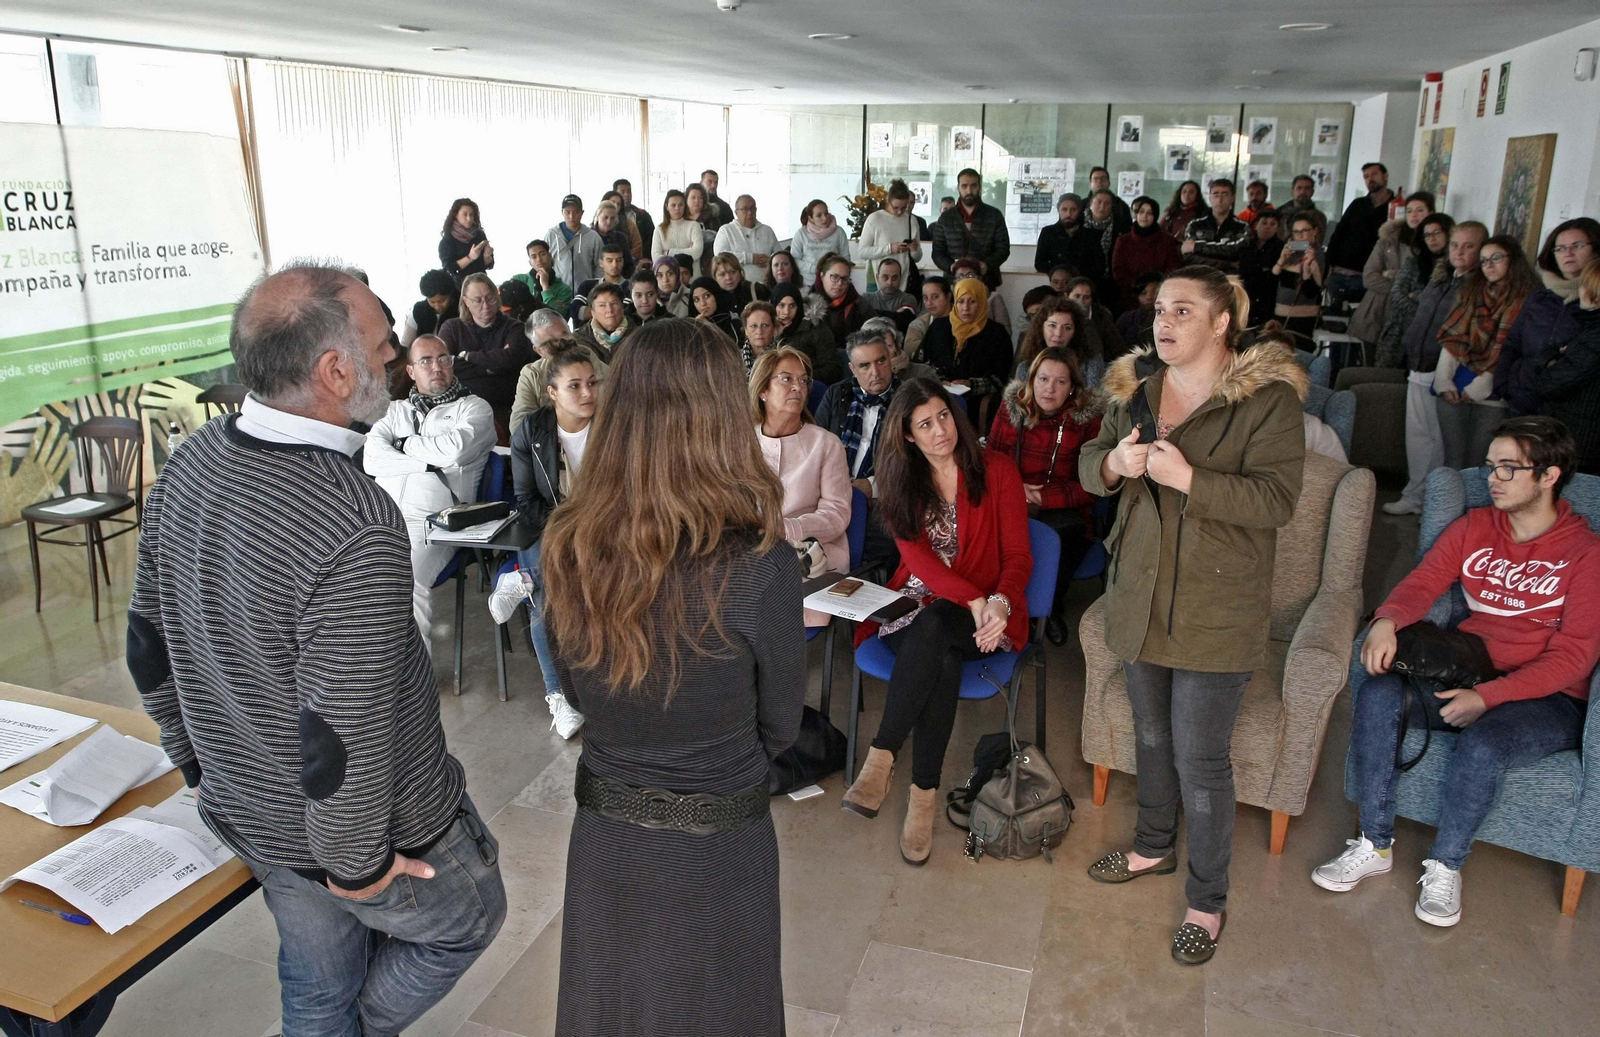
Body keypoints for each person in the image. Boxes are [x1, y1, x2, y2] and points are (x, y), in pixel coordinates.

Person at [129, 263, 506, 1034]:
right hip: (360, 832)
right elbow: (342, 735)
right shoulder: (354, 520)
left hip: (252, 812)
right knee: (471, 915)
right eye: (382, 343)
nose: (398, 354)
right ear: (336, 371)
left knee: (315, 988)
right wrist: (359, 868)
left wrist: (197, 764)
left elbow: (146, 646)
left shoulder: (190, 460)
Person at [540, 319, 804, 1036]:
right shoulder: (762, 566)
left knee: (612, 1011)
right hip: (720, 845)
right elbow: (781, 725)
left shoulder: (565, 548)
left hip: (607, 838)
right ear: (723, 418)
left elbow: (570, 682)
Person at [1080, 264, 1306, 965]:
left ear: (1220, 322)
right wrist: (1114, 464)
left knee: (1200, 757)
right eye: (1158, 310)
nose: (1164, 322)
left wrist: (1189, 480)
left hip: (1216, 607)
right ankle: (1153, 845)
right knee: (1149, 733)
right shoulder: (1138, 389)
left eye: (1182, 310)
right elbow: (1090, 465)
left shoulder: (1267, 401)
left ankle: (1207, 898)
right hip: (1139, 595)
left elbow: (1276, 501)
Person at [1316, 415, 1599, 927]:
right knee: (1381, 695)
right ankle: (1375, 843)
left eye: (1509, 468)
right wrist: (1386, 621)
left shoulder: (1586, 554)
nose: (1493, 478)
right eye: (1491, 467)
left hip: (1550, 697)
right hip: (1471, 669)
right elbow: (1425, 582)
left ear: (1549, 475)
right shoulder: (1474, 526)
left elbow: (1575, 656)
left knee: (1485, 744)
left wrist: (1491, 698)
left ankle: (1446, 865)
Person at [838, 378, 1031, 867]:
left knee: (939, 627)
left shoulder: (997, 469)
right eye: (925, 424)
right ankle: (922, 799)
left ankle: (882, 758)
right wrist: (970, 602)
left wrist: (1000, 604)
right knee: (939, 651)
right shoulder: (902, 480)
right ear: (908, 435)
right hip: (929, 606)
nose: (940, 430)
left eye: (944, 416)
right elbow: (917, 562)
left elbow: (1018, 556)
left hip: (990, 609)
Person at [364, 334, 496, 644]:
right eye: (425, 361)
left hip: (436, 523)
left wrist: (404, 445)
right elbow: (371, 459)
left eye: (443, 359)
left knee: (404, 580)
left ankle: (411, 678)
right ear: (411, 371)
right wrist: (425, 464)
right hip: (380, 519)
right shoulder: (393, 410)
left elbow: (454, 451)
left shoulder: (474, 409)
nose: (436, 366)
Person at [508, 342, 600, 740]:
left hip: (607, 530)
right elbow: (527, 502)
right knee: (547, 601)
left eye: (592, 383)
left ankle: (518, 578)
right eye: (575, 386)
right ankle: (558, 696)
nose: (588, 394)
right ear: (551, 393)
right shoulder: (531, 431)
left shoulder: (614, 425)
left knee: (542, 582)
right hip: (555, 530)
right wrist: (567, 533)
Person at [987, 345, 1102, 644]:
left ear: (1073, 387)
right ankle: (997, 603)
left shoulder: (1087, 421)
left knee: (1060, 540)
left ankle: (1047, 608)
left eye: (1060, 382)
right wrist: (1015, 491)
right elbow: (991, 464)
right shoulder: (1011, 409)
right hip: (1011, 499)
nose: (1049, 389)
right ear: (1031, 380)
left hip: (1062, 507)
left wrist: (1042, 498)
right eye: (1043, 379)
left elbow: (1091, 485)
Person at [1383, 220, 1486, 516]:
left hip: (1444, 371)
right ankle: (1414, 494)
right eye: (1455, 245)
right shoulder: (1441, 277)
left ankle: (1429, 500)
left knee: (1437, 440)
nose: (1459, 252)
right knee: (1416, 436)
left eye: (1468, 246)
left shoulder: (1478, 286)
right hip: (1417, 362)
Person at [751, 346, 851, 623]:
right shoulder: (741, 444)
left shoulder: (826, 444)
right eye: (786, 379)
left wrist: (788, 529)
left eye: (803, 380)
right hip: (751, 548)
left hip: (813, 552)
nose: (798, 387)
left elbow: (837, 516)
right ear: (763, 390)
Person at [1434, 234, 1539, 470]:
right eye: (1483, 261)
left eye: (1496, 258)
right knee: (1453, 463)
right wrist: (1443, 378)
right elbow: (1453, 338)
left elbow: (1518, 349)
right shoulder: (1471, 292)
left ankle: (1475, 509)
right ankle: (1448, 508)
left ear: (1513, 260)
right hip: (1455, 384)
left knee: (1482, 465)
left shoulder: (1531, 299)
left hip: (1497, 391)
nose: (1489, 265)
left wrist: (1487, 381)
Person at [814, 330, 905, 571]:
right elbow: (813, 448)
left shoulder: (909, 400)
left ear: (890, 359)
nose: (875, 372)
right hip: (830, 493)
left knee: (890, 539)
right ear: (853, 369)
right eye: (865, 365)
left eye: (881, 361)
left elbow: (916, 464)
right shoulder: (836, 394)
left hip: (884, 498)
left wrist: (873, 485)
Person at [1494, 217, 1600, 415]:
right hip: (1521, 401)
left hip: (1568, 411)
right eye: (1560, 248)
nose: (1568, 253)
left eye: (1577, 245)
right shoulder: (1540, 294)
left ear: (1595, 249)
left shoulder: (1595, 301)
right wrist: (1504, 384)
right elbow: (1513, 343)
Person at [438, 273, 535, 440]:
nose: (486, 305)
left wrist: (467, 356)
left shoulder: (515, 328)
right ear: (466, 301)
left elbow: (510, 360)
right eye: (478, 300)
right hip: (461, 407)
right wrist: (492, 366)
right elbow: (445, 367)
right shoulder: (451, 328)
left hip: (505, 405)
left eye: (490, 298)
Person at [1534, 260, 1600, 473]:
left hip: (1581, 447)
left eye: (1583, 283)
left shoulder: (1595, 336)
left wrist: (1548, 359)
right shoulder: (1590, 328)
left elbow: (1551, 384)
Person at [1349, 192, 1435, 348]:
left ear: (1431, 213)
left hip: (1413, 319)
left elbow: (1426, 284)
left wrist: (1391, 274)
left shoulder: (1434, 244)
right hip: (1377, 314)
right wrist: (1402, 290)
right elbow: (1369, 277)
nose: (1414, 215)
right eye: (1409, 210)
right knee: (1370, 367)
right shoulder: (1389, 240)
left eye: (1420, 210)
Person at [1375, 213, 1456, 370]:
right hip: (1398, 333)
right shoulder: (1414, 262)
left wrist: (1416, 295)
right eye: (1427, 235)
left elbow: (1445, 302)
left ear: (1449, 233)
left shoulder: (1454, 267)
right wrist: (1424, 311)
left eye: (1437, 233)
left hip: (1432, 340)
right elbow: (1397, 294)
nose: (1432, 239)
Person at [918, 277, 1014, 405]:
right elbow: (920, 364)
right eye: (960, 301)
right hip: (936, 395)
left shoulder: (996, 333)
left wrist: (971, 384)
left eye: (972, 301)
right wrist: (937, 380)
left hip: (976, 402)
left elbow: (1001, 379)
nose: (965, 308)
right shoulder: (938, 327)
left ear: (981, 302)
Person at [1326, 162, 1396, 308]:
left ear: (1385, 176)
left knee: (1362, 321)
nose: (1370, 179)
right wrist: (1329, 266)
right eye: (1366, 176)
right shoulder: (1358, 204)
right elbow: (1338, 234)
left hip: (1369, 277)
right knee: (1333, 320)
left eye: (1374, 174)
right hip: (1340, 274)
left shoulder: (1396, 207)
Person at [931, 167, 1009, 291]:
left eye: (973, 186)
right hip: (954, 282)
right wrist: (951, 266)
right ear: (958, 187)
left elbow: (1003, 249)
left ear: (979, 186)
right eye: (964, 186)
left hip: (986, 281)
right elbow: (937, 252)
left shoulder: (994, 215)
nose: (969, 190)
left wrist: (987, 265)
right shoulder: (946, 218)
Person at [1111, 195, 1182, 311]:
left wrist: (1155, 289)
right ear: (1136, 214)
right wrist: (1141, 289)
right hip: (1131, 297)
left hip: (1159, 295)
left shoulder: (1166, 240)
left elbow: (1173, 268)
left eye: (1149, 213)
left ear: (1155, 216)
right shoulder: (1123, 240)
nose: (1144, 216)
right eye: (1141, 212)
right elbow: (1118, 270)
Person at [1016, 294, 1104, 386]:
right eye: (1052, 325)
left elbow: (1094, 398)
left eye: (1067, 328)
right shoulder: (1025, 367)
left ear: (1075, 332)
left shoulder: (1090, 362)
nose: (1058, 334)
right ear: (1041, 328)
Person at [858, 178, 925, 295]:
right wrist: (889, 248)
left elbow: (917, 257)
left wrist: (914, 249)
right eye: (896, 207)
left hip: (902, 277)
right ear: (888, 201)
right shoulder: (874, 219)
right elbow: (863, 251)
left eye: (904, 207)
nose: (900, 212)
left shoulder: (911, 220)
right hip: (876, 274)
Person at [1271, 210, 1329, 341]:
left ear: (1315, 231)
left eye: (1305, 231)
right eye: (1296, 232)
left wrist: (1309, 266)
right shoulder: (1289, 253)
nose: (1301, 236)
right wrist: (1282, 260)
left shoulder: (1318, 255)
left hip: (1303, 316)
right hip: (1280, 314)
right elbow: (1274, 279)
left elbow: (1312, 290)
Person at [770, 282, 840, 384]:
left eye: (792, 306)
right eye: (781, 305)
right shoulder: (766, 329)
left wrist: (800, 377)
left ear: (799, 307)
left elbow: (833, 371)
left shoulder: (816, 329)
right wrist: (775, 338)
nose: (786, 311)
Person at [1036, 193, 1107, 290]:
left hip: (1083, 286)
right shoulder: (1048, 232)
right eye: (1064, 209)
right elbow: (1039, 262)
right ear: (1059, 211)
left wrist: (1076, 274)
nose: (1068, 214)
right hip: (1056, 286)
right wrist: (1059, 273)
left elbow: (1099, 265)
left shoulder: (1091, 235)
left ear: (1079, 211)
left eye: (1073, 210)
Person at [1180, 179, 1249, 273]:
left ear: (1232, 198)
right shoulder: (1195, 225)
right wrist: (1226, 263)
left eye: (1224, 194)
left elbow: (1234, 251)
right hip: (1200, 277)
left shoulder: (1242, 226)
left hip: (1229, 280)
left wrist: (1196, 246)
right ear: (1210, 198)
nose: (1220, 200)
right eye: (1216, 194)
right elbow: (1188, 256)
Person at [713, 194, 778, 285]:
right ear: (736, 212)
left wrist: (771, 261)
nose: (750, 213)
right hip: (738, 286)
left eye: (752, 209)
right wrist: (750, 258)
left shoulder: (767, 230)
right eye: (745, 209)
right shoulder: (726, 230)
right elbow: (720, 255)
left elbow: (779, 255)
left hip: (767, 284)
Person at [1236, 209, 1285, 329]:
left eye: (1272, 224)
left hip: (1270, 298)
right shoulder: (1246, 245)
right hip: (1247, 296)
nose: (1267, 227)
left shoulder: (1281, 248)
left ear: (1277, 228)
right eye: (1264, 223)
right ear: (1255, 225)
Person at [545, 194, 605, 289]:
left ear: (582, 213)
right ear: (562, 212)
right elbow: (546, 264)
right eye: (567, 212)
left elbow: (600, 267)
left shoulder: (593, 237)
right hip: (559, 293)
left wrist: (597, 290)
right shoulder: (551, 235)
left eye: (576, 212)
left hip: (586, 292)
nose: (571, 216)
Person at [1065, 276, 1126, 361]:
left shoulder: (1102, 316)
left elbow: (1117, 347)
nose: (1080, 301)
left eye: (1086, 297)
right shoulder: (1059, 313)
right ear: (1067, 296)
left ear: (1092, 299)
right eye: (1077, 296)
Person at [862, 315, 937, 384]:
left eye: (888, 346)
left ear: (896, 346)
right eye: (875, 348)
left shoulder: (922, 373)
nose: (883, 352)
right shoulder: (858, 375)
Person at [814, 254, 867, 349]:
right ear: (822, 276)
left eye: (845, 279)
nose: (840, 283)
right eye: (834, 277)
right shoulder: (807, 305)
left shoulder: (859, 303)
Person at [792, 199, 851, 283]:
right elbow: (794, 260)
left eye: (826, 213)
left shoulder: (839, 232)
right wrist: (815, 268)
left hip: (834, 282)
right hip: (808, 282)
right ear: (811, 218)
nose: (824, 218)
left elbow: (845, 257)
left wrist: (836, 272)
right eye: (819, 215)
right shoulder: (801, 234)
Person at [512, 239, 576, 315]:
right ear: (530, 263)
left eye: (542, 254)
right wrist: (553, 301)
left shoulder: (564, 289)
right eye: (533, 257)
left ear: (550, 256)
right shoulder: (519, 280)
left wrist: (545, 286)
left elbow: (556, 316)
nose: (539, 259)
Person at [573, 282, 635, 360]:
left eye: (614, 303)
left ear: (622, 308)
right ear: (593, 312)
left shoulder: (638, 336)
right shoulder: (579, 340)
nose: (609, 310)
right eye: (602, 305)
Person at [1082, 190, 1123, 306]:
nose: (1102, 206)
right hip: (1083, 283)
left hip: (1110, 284)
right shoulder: (1079, 226)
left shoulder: (1119, 228)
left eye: (1107, 203)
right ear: (1091, 204)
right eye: (1098, 202)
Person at [950, 256, 1012, 333]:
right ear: (955, 281)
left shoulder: (993, 297)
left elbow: (1006, 331)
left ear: (980, 278)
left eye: (970, 275)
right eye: (960, 276)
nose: (965, 279)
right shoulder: (950, 298)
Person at [439, 198, 494, 284]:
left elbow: (489, 265)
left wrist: (487, 258)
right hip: (460, 287)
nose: (469, 218)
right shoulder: (448, 240)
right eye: (465, 214)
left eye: (471, 215)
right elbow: (449, 268)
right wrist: (470, 258)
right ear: (456, 215)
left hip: (481, 282)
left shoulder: (479, 234)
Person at [401, 269, 458, 350]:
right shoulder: (419, 310)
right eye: (432, 302)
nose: (437, 306)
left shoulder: (460, 310)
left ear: (450, 295)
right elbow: (405, 344)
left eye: (442, 301)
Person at [572, 242, 630, 322]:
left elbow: (626, 314)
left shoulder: (630, 287)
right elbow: (575, 311)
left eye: (618, 260)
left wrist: (594, 311)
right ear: (601, 263)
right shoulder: (587, 285)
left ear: (623, 262)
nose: (614, 265)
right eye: (609, 261)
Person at [651, 188, 704, 267]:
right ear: (667, 207)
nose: (677, 208)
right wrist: (687, 251)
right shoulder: (660, 229)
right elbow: (656, 257)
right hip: (668, 276)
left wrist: (669, 253)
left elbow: (697, 252)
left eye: (680, 205)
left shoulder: (694, 226)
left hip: (692, 276)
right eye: (673, 205)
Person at [691, 276, 745, 352]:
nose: (703, 303)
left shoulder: (734, 323)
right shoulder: (692, 329)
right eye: (696, 299)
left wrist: (709, 329)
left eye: (707, 296)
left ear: (716, 295)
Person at [905, 275, 952, 362]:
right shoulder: (917, 325)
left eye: (935, 297)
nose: (929, 303)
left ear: (948, 296)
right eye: (925, 298)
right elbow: (910, 353)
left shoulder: (963, 320)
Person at [1115, 272, 1164, 349]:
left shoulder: (1169, 318)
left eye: (1155, 292)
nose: (1149, 297)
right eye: (1143, 293)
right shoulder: (1127, 319)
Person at [613, 177, 655, 261]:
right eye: (623, 192)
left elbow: (651, 239)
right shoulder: (609, 216)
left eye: (629, 191)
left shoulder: (643, 215)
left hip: (641, 260)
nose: (627, 195)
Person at [591, 201, 635, 277]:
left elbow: (628, 264)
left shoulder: (620, 238)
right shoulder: (589, 237)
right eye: (605, 217)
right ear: (598, 216)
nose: (608, 222)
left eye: (612, 218)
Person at [1087, 167, 1134, 236]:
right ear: (1090, 184)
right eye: (1096, 179)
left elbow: (1127, 232)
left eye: (1103, 179)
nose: (1099, 182)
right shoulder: (1082, 205)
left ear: (1109, 183)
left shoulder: (1121, 205)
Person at [601, 190, 645, 262]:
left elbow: (637, 246)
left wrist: (621, 260)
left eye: (618, 204)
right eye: (613, 202)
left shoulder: (628, 224)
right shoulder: (592, 233)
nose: (615, 206)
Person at [684, 183, 718, 275]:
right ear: (686, 199)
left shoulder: (712, 217)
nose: (697, 201)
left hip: (708, 259)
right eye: (693, 197)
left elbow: (717, 238)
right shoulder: (680, 218)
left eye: (700, 198)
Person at [742, 300, 778, 371]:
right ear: (746, 330)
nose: (759, 331)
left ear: (773, 328)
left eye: (765, 325)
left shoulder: (784, 357)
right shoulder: (734, 359)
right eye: (754, 326)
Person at [699, 168, 733, 232]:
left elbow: (730, 231)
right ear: (701, 183)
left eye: (716, 182)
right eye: (709, 182)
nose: (713, 185)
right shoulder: (695, 204)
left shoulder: (724, 207)